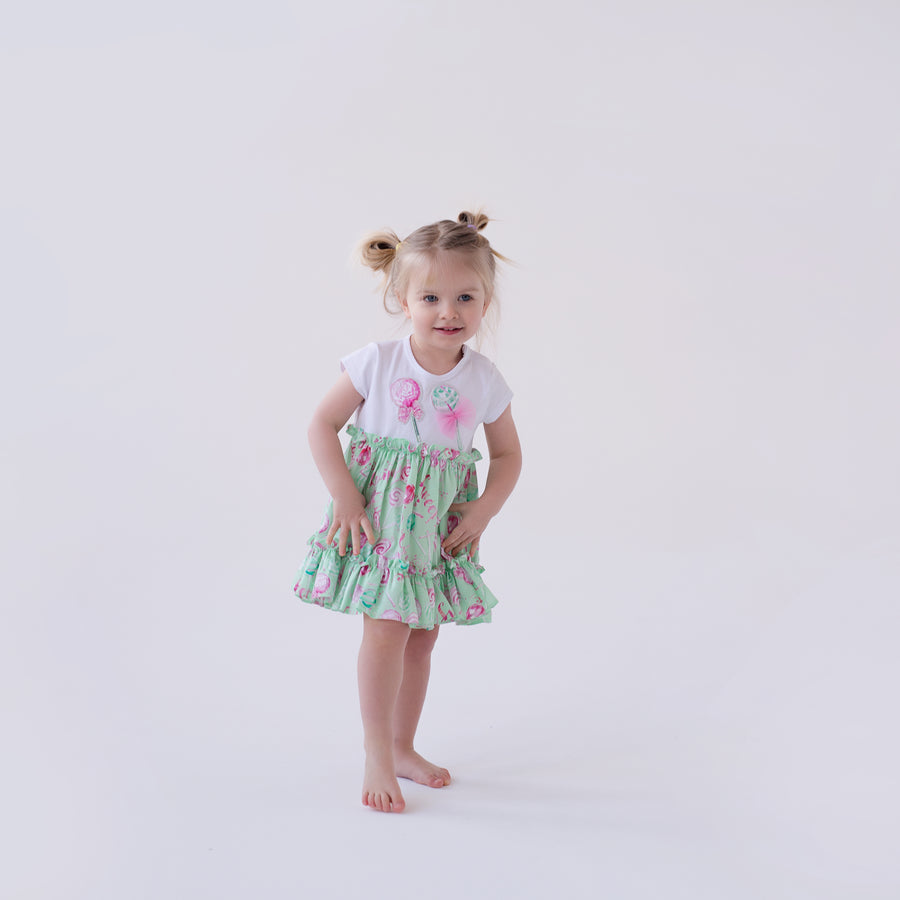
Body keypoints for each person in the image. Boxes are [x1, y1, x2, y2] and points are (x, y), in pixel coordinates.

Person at [293, 210, 522, 813]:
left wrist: (484, 511)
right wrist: (345, 495)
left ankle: (401, 746)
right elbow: (321, 424)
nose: (449, 312)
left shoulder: (483, 379)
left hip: (437, 529)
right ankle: (375, 751)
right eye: (431, 298)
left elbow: (508, 455)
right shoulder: (377, 362)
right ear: (402, 299)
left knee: (422, 638)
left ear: (486, 301)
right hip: (380, 521)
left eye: (466, 297)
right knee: (386, 630)